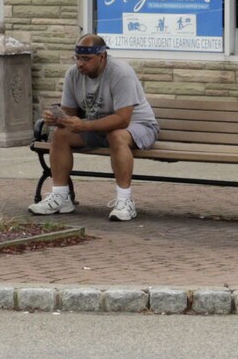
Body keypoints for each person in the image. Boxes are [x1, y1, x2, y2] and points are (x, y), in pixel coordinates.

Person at [30, 35, 159, 222]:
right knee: (60, 134)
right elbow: (69, 113)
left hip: (139, 126)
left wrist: (85, 125)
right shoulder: (73, 75)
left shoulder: (120, 73)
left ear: (102, 56)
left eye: (86, 59)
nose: (80, 64)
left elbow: (123, 120)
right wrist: (57, 119)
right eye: (78, 58)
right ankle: (61, 197)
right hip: (97, 127)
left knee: (117, 136)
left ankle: (125, 202)